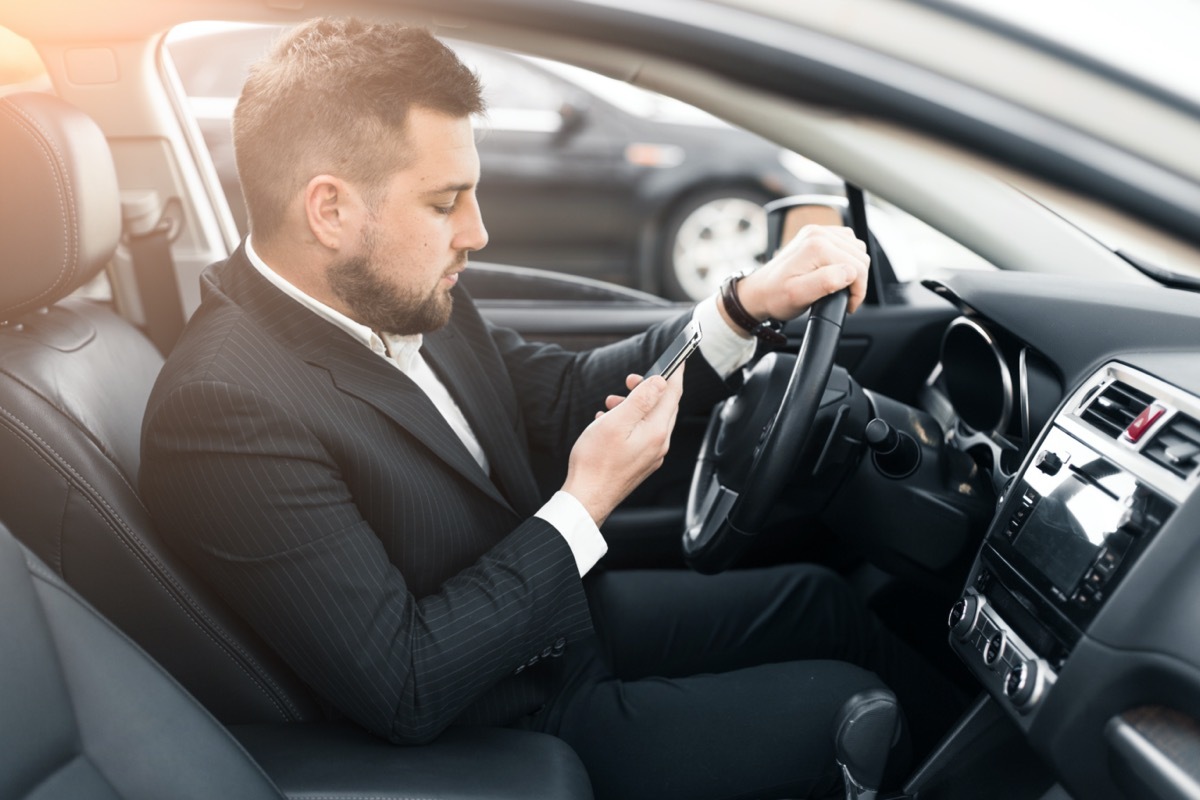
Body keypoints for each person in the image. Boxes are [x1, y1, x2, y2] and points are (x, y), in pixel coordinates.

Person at [141, 17, 955, 800]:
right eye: (444, 201)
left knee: (825, 601)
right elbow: (408, 683)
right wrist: (584, 503)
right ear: (329, 209)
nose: (478, 231)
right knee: (842, 704)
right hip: (511, 724)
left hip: (558, 630)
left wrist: (743, 306)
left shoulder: (403, 292)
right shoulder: (224, 409)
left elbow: (569, 397)